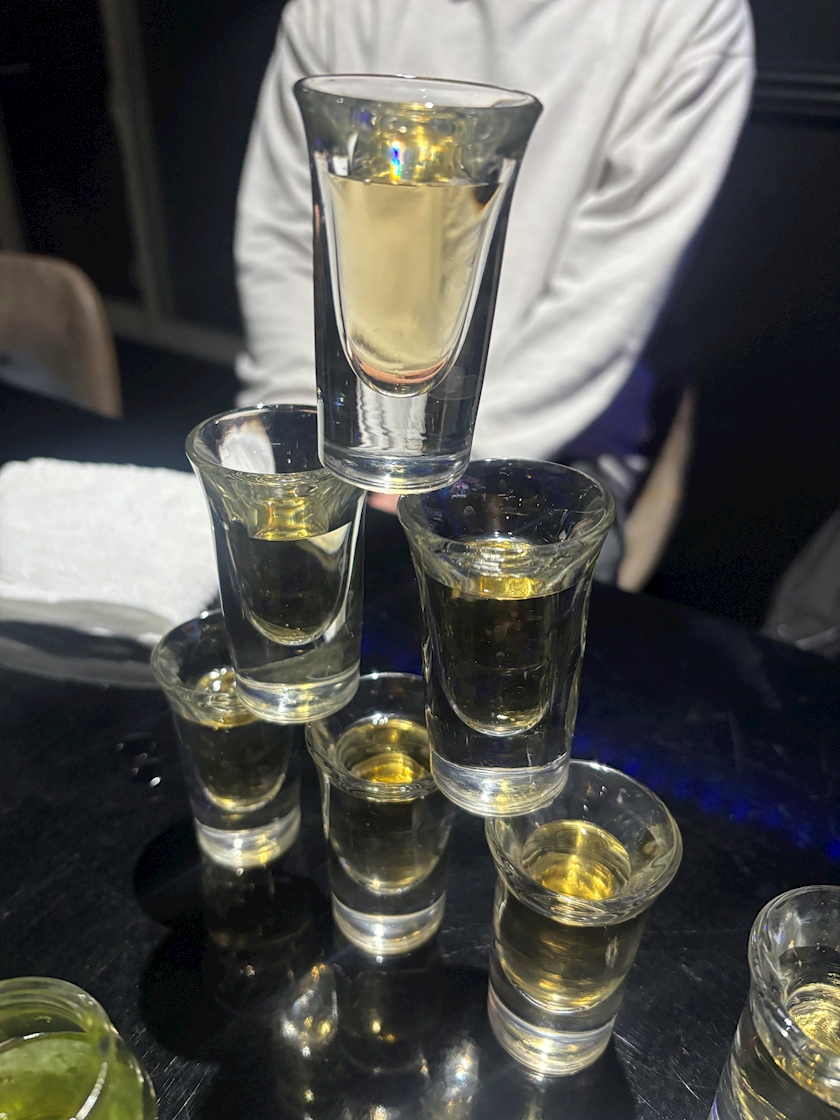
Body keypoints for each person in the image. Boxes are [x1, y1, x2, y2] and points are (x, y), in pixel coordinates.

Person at [234, 0, 754, 573]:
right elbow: (284, 235)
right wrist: (299, 448)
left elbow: (607, 300)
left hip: (552, 446)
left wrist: (422, 480)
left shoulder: (686, 15)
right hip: (329, 428)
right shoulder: (332, 10)